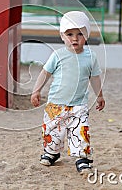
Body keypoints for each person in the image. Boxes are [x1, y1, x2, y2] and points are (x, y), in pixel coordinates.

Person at [30, 11, 106, 175]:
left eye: (80, 34)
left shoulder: (90, 57)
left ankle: (82, 159)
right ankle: (52, 153)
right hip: (56, 105)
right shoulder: (58, 55)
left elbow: (95, 78)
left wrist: (99, 95)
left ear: (86, 36)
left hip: (79, 105)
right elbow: (45, 74)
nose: (74, 38)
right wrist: (36, 91)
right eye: (69, 34)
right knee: (53, 132)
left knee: (80, 131)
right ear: (62, 36)